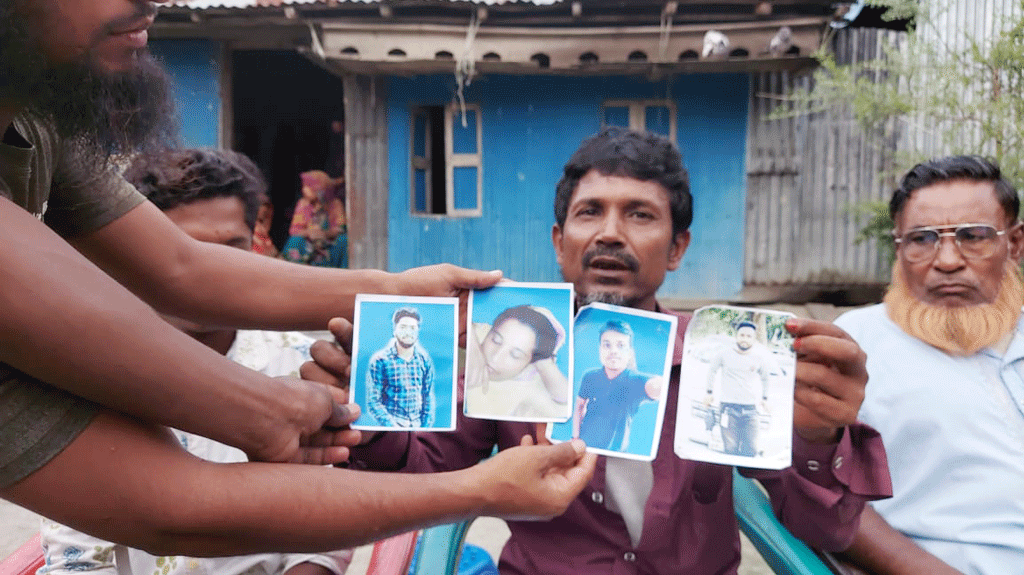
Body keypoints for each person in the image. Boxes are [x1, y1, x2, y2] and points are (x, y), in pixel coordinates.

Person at [0, 0, 596, 554]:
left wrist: (395, 291)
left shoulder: (33, 127)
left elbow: (182, 268)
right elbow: (179, 505)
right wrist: (263, 410)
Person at [311, 127, 893, 574]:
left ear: (677, 249)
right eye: (591, 212)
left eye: (640, 215)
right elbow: (422, 466)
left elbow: (826, 523)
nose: (611, 233)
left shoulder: (726, 357)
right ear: (560, 243)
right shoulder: (510, 346)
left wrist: (818, 436)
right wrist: (368, 412)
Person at [40, 147, 352, 575]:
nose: (221, 270)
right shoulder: (89, 374)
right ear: (138, 254)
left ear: (256, 239)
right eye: (195, 254)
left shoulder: (306, 367)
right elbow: (75, 554)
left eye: (234, 247)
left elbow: (326, 528)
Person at [834, 155, 1024, 575]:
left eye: (973, 236)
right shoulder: (853, 344)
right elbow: (818, 493)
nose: (948, 260)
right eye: (922, 239)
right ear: (899, 248)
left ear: (1014, 244)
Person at [464, 304, 569, 419]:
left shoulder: (529, 389)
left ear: (530, 364)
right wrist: (470, 339)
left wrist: (545, 363)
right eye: (495, 340)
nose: (495, 358)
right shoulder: (475, 335)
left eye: (515, 355)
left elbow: (564, 399)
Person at [574, 320, 662, 451]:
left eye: (621, 346)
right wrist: (575, 438)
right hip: (583, 448)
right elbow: (579, 406)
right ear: (600, 349)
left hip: (616, 454)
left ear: (630, 352)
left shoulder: (636, 381)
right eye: (607, 345)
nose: (613, 351)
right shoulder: (590, 377)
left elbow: (657, 386)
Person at [703, 321, 773, 457]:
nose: (744, 339)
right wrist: (709, 393)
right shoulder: (723, 354)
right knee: (730, 449)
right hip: (728, 409)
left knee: (752, 449)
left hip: (751, 410)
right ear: (736, 336)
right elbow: (712, 371)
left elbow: (765, 378)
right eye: (742, 335)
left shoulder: (759, 358)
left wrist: (765, 398)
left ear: (753, 339)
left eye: (748, 336)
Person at [367, 307, 435, 428]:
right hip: (392, 425)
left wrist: (424, 427)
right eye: (403, 327)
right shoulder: (380, 360)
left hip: (418, 425)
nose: (408, 332)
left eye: (413, 328)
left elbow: (427, 395)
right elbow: (373, 401)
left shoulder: (424, 360)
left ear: (418, 331)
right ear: (394, 330)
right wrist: (394, 427)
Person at [281, 170, 347, 267]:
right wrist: (309, 232)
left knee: (344, 240)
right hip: (308, 242)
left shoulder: (335, 204)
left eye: (307, 187)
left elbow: (341, 228)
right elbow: (294, 230)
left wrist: (325, 234)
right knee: (294, 240)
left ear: (319, 189)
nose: (303, 190)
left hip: (329, 242)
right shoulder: (303, 204)